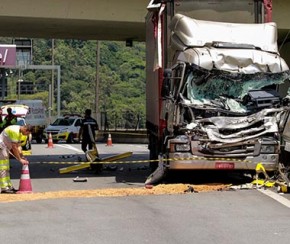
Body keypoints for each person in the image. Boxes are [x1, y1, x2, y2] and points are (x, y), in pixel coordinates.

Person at [0, 124, 32, 194]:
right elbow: (14, 147)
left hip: (5, 147)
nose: (26, 135)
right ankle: (4, 187)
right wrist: (20, 159)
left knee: (6, 168)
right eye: (27, 133)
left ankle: (8, 186)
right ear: (25, 129)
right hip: (1, 147)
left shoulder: (20, 132)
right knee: (3, 168)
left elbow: (18, 146)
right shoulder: (15, 131)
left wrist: (21, 156)